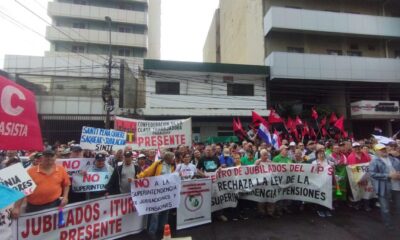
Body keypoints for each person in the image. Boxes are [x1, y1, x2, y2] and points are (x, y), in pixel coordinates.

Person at [14, 149, 70, 214]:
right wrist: (17, 207)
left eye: (51, 156)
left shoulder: (61, 169)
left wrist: (65, 197)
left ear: (55, 157)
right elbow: (23, 190)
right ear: (42, 157)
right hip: (34, 207)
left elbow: (66, 184)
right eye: (46, 156)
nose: (49, 158)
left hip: (55, 204)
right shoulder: (30, 171)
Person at [137, 151, 176, 238]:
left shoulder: (173, 166)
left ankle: (162, 229)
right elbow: (148, 171)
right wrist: (138, 178)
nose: (174, 159)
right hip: (157, 192)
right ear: (168, 159)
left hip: (167, 192)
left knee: (165, 211)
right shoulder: (158, 164)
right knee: (155, 213)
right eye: (172, 158)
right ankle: (152, 231)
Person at [369, 144, 400, 229]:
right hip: (383, 188)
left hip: (397, 186)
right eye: (381, 149)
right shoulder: (374, 161)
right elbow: (372, 174)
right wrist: (388, 176)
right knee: (385, 208)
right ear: (376, 151)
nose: (383, 150)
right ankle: (388, 224)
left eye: (384, 149)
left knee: (398, 206)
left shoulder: (394, 159)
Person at [312, 148, 334, 217]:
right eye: (319, 153)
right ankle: (320, 210)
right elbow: (311, 173)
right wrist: (316, 168)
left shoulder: (328, 162)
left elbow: (333, 170)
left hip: (327, 182)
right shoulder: (314, 162)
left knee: (327, 196)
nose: (321, 155)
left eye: (322, 153)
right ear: (317, 155)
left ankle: (326, 209)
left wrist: (333, 168)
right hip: (318, 183)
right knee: (320, 196)